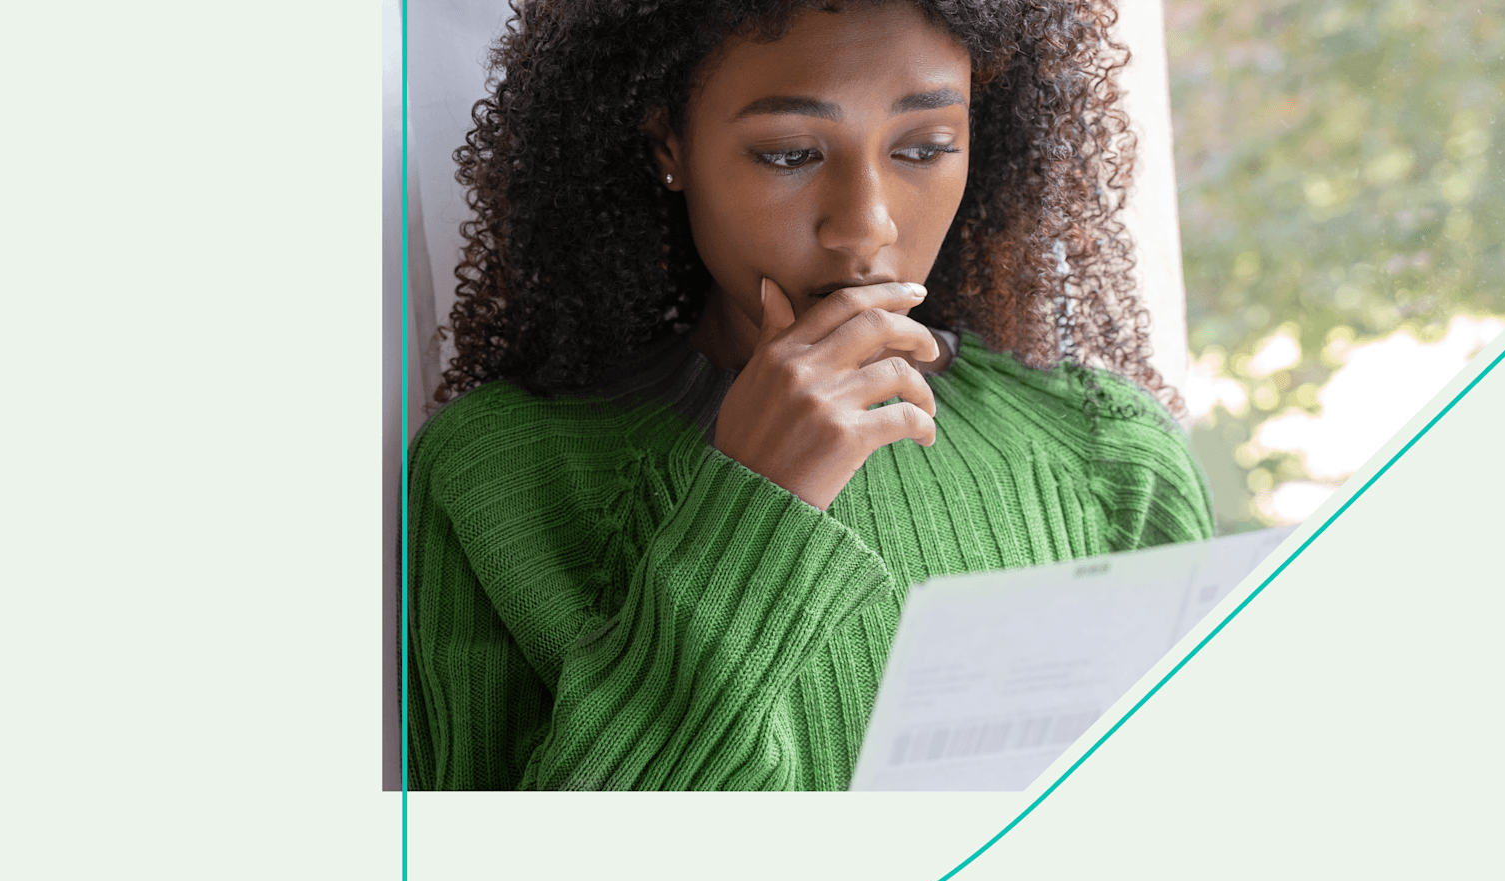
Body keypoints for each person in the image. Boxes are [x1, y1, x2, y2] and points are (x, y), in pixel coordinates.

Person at [405, 0, 1215, 791]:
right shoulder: (500, 475)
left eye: (927, 146)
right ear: (669, 145)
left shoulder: (1106, 453)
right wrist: (755, 507)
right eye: (790, 154)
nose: (866, 225)